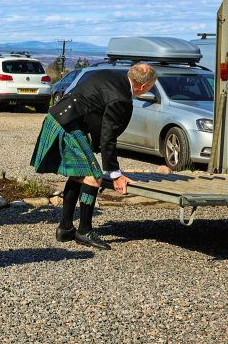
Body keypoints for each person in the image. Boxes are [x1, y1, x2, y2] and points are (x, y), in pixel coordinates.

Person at [31, 63, 158, 250]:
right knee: (93, 177)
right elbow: (108, 136)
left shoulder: (110, 74)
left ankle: (65, 228)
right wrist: (115, 173)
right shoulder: (121, 98)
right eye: (151, 85)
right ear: (143, 86)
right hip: (67, 125)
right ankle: (84, 231)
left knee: (78, 175)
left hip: (58, 118)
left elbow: (91, 104)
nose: (150, 89)